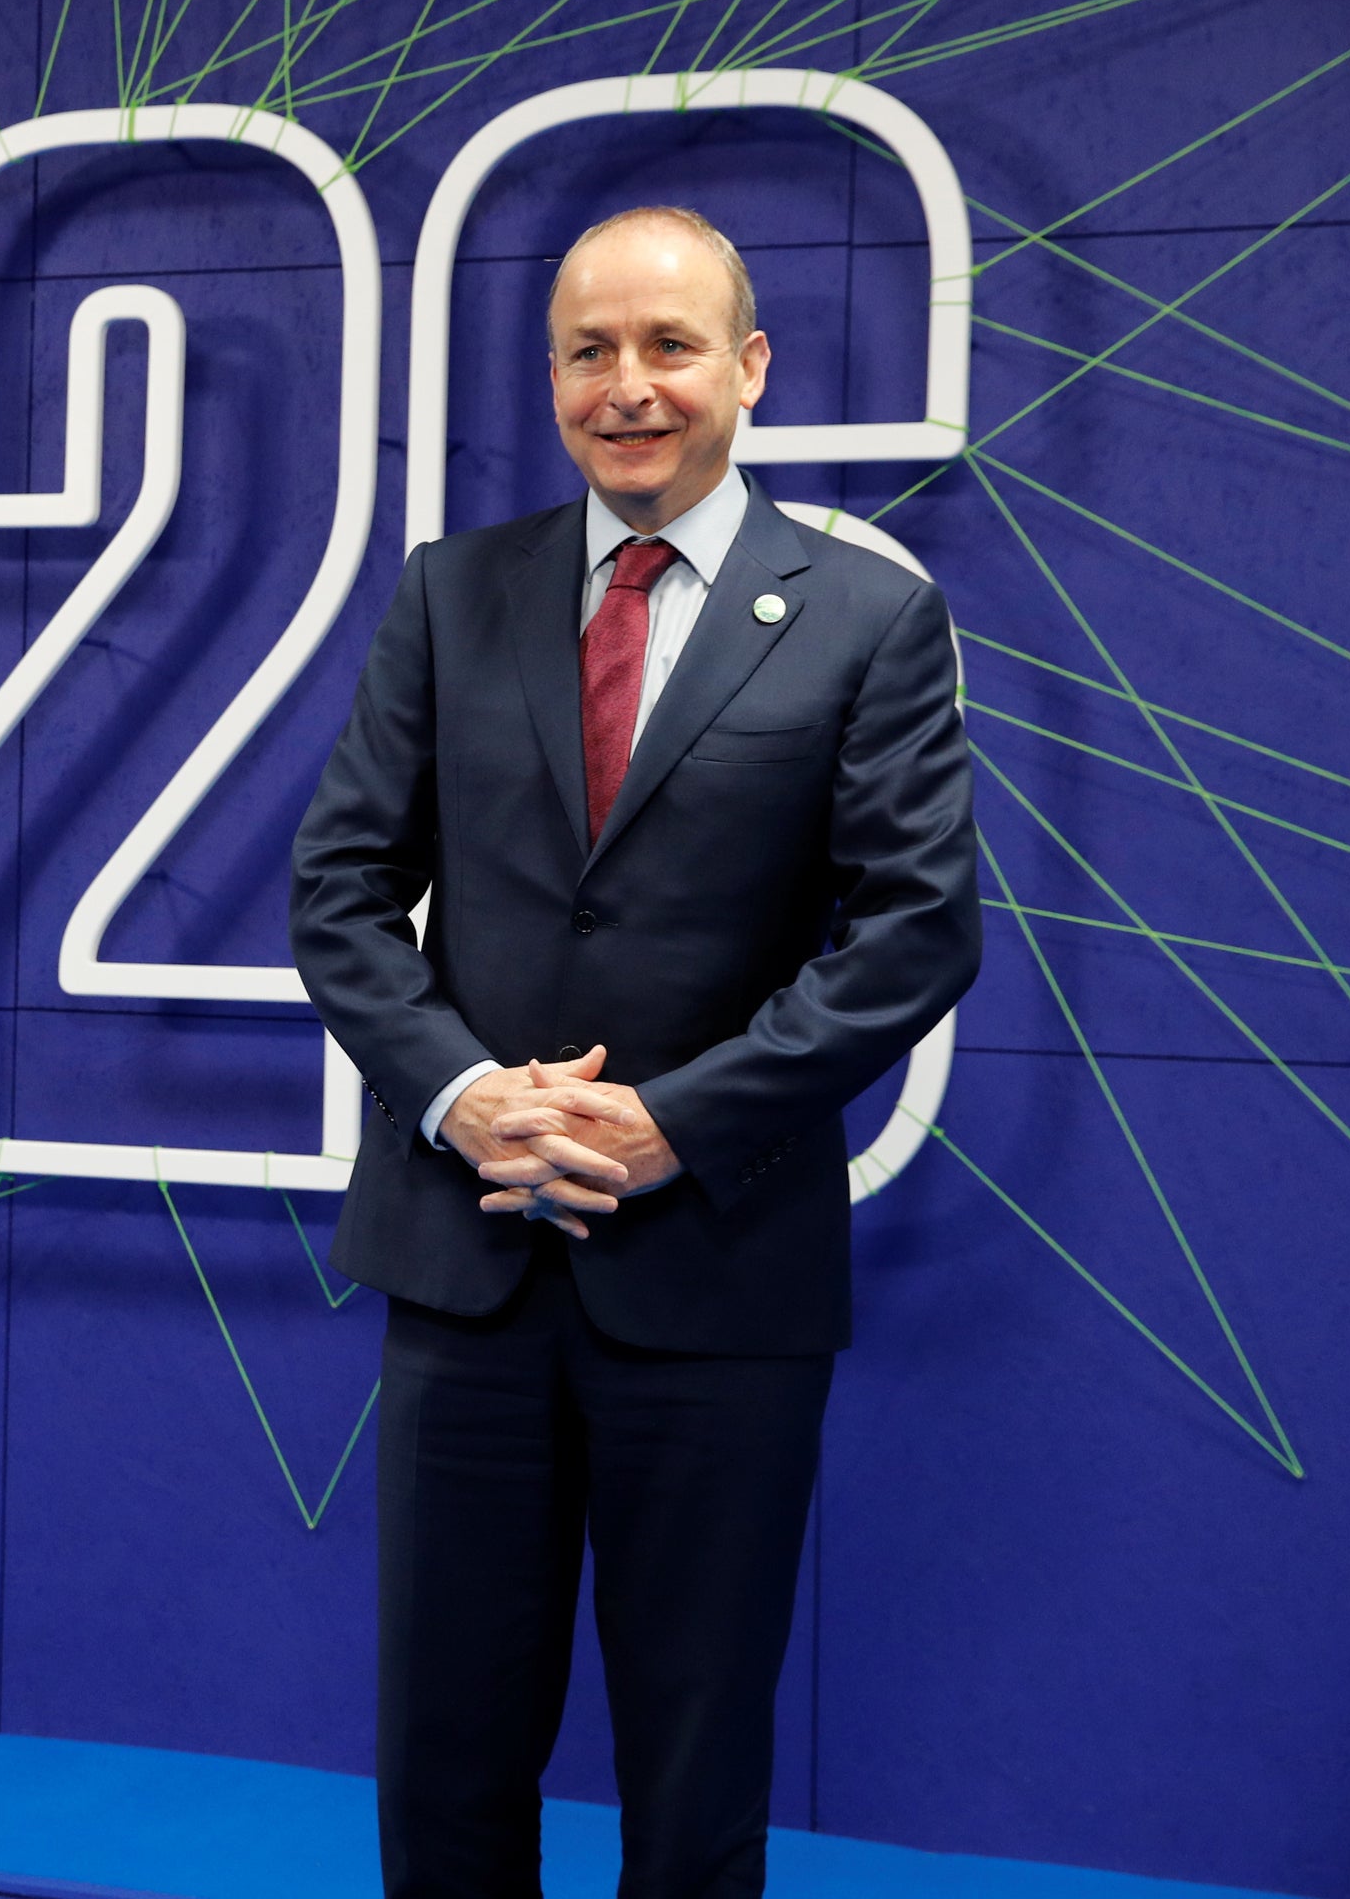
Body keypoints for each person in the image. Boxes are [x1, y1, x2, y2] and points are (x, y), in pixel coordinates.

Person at [289, 205, 980, 1898]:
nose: (629, 386)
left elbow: (915, 933)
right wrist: (463, 1097)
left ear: (748, 369)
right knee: (446, 1754)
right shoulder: (453, 596)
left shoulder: (867, 619)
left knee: (694, 1761)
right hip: (468, 1271)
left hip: (720, 1277)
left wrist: (670, 1126)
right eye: (589, 351)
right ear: (550, 383)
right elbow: (342, 890)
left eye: (668, 345)